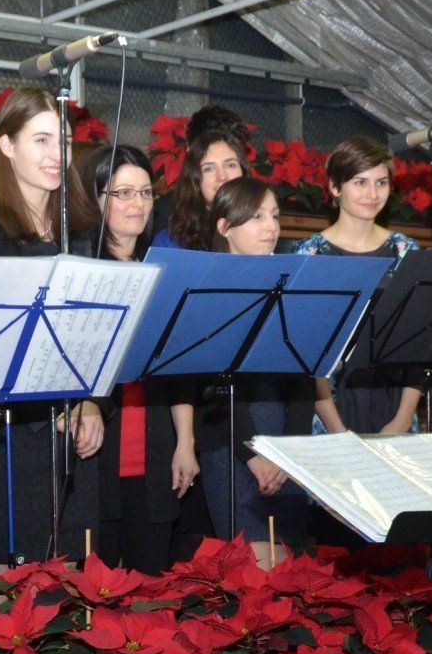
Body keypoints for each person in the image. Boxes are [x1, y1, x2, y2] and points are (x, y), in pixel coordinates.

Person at [0, 86, 104, 564]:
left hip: (74, 429)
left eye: (63, 141)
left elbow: (97, 334)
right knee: (16, 585)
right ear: (7, 146)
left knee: (79, 571)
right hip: (12, 433)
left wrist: (93, 403)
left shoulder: (82, 229)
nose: (56, 155)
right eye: (40, 140)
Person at [87, 145, 198, 574]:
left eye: (146, 193)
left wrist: (185, 441)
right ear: (97, 199)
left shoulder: (163, 270)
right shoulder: (81, 268)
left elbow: (179, 371)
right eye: (123, 193)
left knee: (151, 589)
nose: (137, 204)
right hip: (95, 455)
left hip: (155, 452)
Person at [194, 179, 308, 567]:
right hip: (232, 446)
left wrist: (289, 455)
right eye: (257, 217)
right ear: (225, 227)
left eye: (274, 216)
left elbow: (304, 379)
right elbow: (213, 383)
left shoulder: (295, 286)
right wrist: (254, 453)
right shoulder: (208, 290)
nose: (271, 227)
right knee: (255, 573)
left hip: (284, 446)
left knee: (292, 573)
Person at [297, 137, 421, 436]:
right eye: (360, 182)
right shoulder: (309, 254)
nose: (372, 193)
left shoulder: (406, 251)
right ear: (335, 187)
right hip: (330, 416)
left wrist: (404, 419)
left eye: (381, 183)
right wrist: (336, 428)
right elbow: (305, 356)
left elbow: (421, 344)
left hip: (396, 413)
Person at [150, 105, 247, 244]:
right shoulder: (165, 219)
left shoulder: (255, 214)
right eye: (210, 167)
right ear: (192, 154)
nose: (222, 176)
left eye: (231, 163)